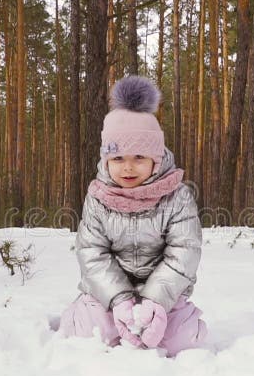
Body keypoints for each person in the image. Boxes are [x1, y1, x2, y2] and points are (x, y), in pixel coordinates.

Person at [58, 75, 207, 357]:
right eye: (118, 159)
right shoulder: (98, 197)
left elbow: (185, 250)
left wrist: (155, 301)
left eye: (139, 157)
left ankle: (164, 318)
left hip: (164, 294)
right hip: (109, 295)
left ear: (156, 159)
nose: (128, 168)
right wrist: (120, 300)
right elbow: (92, 251)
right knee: (89, 336)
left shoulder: (177, 196)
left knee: (182, 342)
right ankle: (86, 313)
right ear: (106, 159)